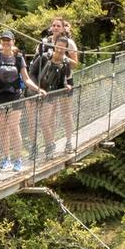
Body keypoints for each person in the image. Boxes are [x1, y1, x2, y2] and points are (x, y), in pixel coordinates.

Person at [0, 30, 44, 171]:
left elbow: (26, 78)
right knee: (2, 129)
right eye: (3, 40)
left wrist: (38, 89)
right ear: (0, 42)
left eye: (8, 40)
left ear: (13, 41)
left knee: (14, 127)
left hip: (15, 95)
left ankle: (18, 160)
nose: (6, 43)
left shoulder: (19, 58)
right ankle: (6, 159)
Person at [27, 17, 79, 155]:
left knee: (66, 112)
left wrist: (63, 58)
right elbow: (37, 60)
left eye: (58, 26)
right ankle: (51, 142)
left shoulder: (70, 43)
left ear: (63, 28)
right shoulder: (44, 42)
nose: (55, 28)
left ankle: (69, 141)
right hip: (48, 83)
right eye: (54, 25)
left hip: (65, 79)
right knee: (50, 115)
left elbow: (75, 63)